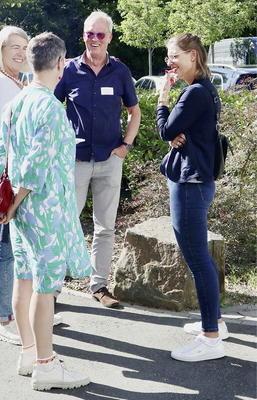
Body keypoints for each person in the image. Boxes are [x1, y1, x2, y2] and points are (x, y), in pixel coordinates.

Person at [0, 32, 91, 390]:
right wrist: (16, 203)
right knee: (45, 286)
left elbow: (3, 156)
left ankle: (29, 352)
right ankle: (47, 366)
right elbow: (35, 169)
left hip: (21, 212)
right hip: (44, 210)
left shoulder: (16, 103)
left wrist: (8, 206)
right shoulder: (51, 108)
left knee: (24, 276)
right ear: (60, 64)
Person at [54, 10, 141, 308]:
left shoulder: (120, 71)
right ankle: (52, 289)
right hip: (76, 161)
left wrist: (125, 146)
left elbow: (134, 112)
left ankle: (99, 287)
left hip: (109, 160)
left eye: (100, 34)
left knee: (105, 226)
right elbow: (51, 108)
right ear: (83, 36)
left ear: (110, 39)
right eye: (90, 33)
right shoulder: (68, 70)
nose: (94, 39)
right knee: (66, 222)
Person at [156, 33, 229, 362]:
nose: (170, 62)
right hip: (198, 181)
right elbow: (176, 133)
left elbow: (166, 131)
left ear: (193, 57)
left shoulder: (193, 93)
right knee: (202, 260)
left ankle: (210, 338)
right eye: (168, 56)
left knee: (199, 261)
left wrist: (162, 98)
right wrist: (174, 132)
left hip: (190, 184)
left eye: (175, 56)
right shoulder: (205, 90)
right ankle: (216, 322)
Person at [0, 26, 30, 345]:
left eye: (25, 47)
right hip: (4, 173)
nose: (21, 52)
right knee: (6, 248)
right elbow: (1, 138)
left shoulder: (16, 81)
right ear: (0, 49)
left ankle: (21, 314)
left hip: (15, 172)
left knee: (17, 247)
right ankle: (3, 320)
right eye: (14, 47)